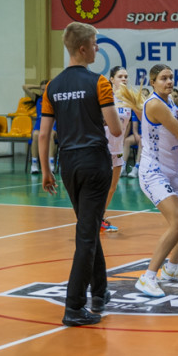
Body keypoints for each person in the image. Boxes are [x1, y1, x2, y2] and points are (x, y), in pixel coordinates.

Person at [38, 22, 123, 327]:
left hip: (68, 164)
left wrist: (47, 170)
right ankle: (74, 306)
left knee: (87, 226)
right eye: (96, 43)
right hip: (94, 162)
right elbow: (115, 129)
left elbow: (44, 134)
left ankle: (100, 291)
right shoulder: (99, 83)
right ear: (84, 48)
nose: (98, 48)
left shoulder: (52, 86)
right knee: (86, 235)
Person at [127, 64, 178, 297]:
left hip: (173, 172)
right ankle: (148, 277)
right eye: (163, 78)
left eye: (171, 77)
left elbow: (177, 128)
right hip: (154, 172)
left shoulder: (170, 102)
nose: (169, 81)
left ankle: (171, 269)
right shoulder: (156, 104)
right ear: (153, 82)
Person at [100, 66, 134, 232]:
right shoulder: (106, 97)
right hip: (103, 148)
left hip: (117, 148)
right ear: (111, 79)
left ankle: (100, 217)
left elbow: (125, 126)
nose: (124, 79)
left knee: (112, 187)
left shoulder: (128, 99)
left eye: (126, 76)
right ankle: (91, 217)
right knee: (100, 186)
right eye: (120, 76)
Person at [28, 79, 57, 175]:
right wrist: (38, 87)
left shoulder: (55, 99)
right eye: (42, 89)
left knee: (50, 135)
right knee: (35, 134)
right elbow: (25, 87)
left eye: (46, 89)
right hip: (39, 127)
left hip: (53, 128)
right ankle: (34, 164)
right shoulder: (38, 99)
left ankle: (51, 164)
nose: (44, 91)